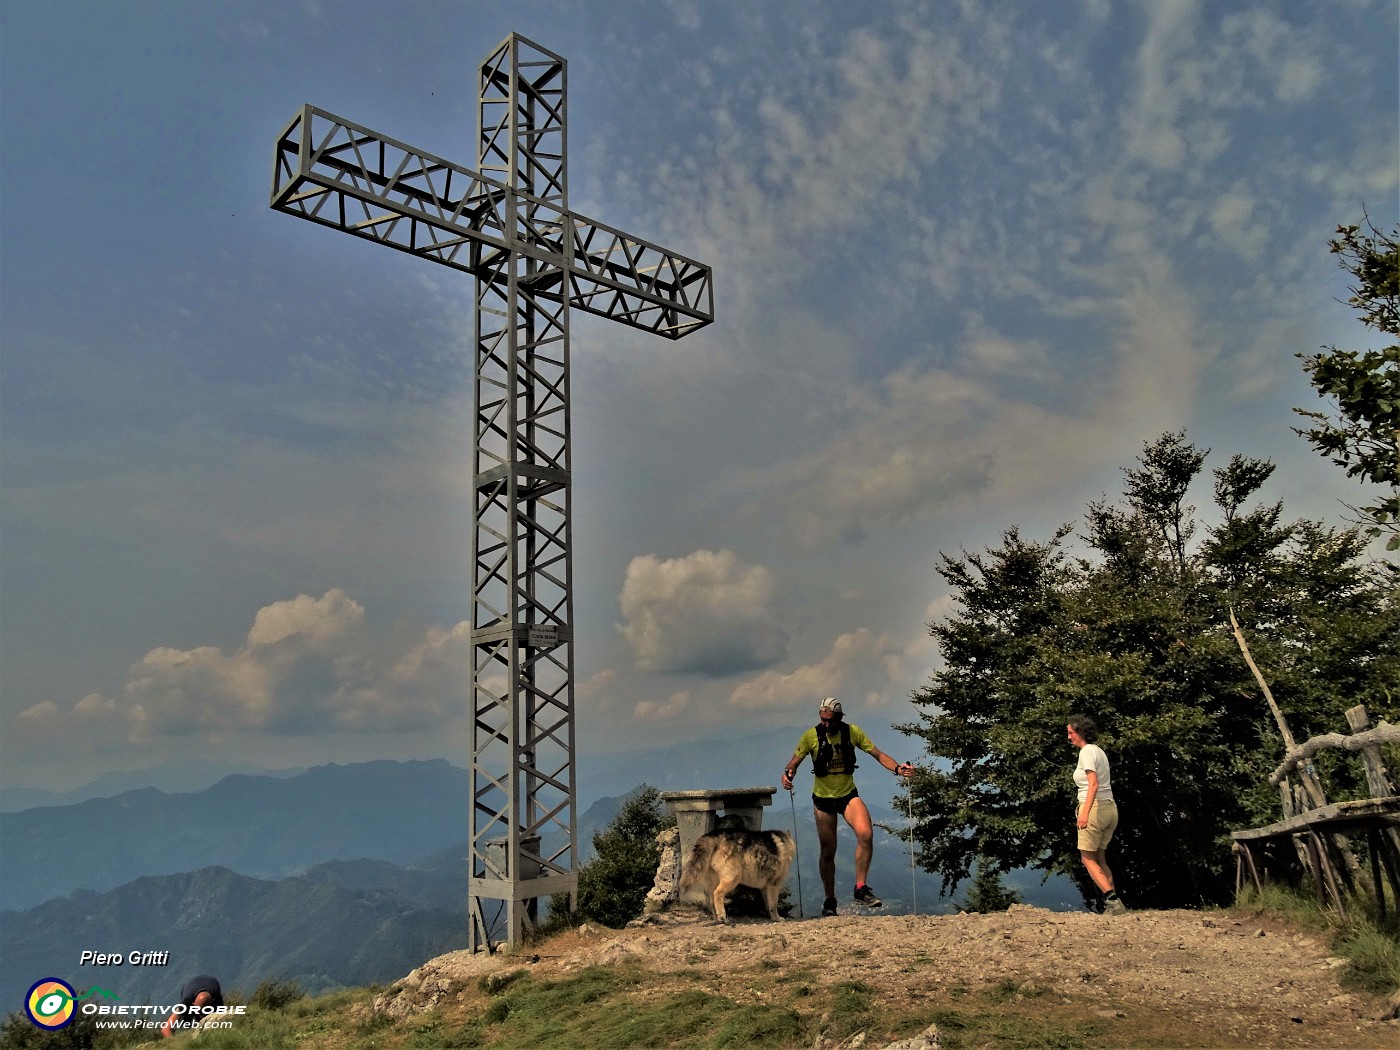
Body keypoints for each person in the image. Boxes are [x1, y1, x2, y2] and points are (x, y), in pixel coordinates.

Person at [781, 698, 913, 916]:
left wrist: (899, 769)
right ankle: (830, 900)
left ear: (840, 718)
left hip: (848, 795)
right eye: (822, 719)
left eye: (829, 720)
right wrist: (788, 775)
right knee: (828, 851)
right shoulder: (811, 736)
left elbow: (878, 755)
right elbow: (793, 763)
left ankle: (860, 888)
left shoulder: (852, 733)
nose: (825, 724)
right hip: (823, 800)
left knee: (866, 834)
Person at [1067, 714, 1127, 914]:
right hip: (1110, 808)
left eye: (1071, 733)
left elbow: (1093, 784)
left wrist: (1084, 813)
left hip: (1094, 808)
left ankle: (1112, 902)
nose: (1069, 737)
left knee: (1087, 859)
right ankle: (1113, 907)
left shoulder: (1086, 752)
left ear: (1080, 733)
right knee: (1100, 858)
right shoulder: (1099, 751)